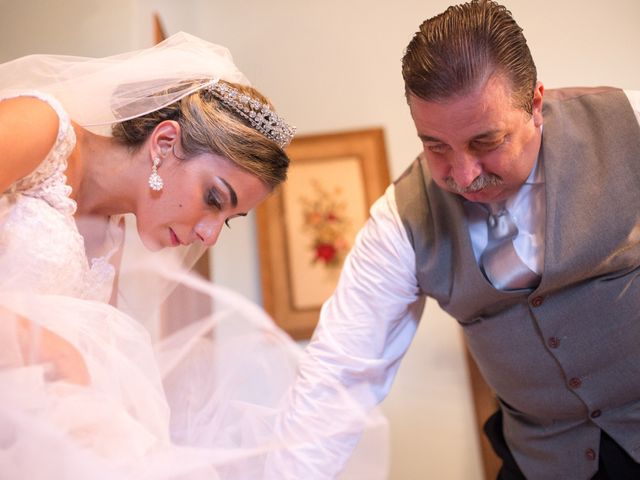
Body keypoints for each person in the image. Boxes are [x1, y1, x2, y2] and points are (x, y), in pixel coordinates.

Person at [271, 1, 640, 479]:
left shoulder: (628, 124)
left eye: (486, 142)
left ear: (535, 105)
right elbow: (338, 374)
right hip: (543, 463)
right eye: (436, 147)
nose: (464, 176)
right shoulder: (399, 221)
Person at [0, 32, 388, 479]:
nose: (208, 235)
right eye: (214, 198)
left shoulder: (112, 238)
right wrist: (48, 349)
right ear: (165, 143)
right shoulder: (41, 129)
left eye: (227, 220)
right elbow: (65, 360)